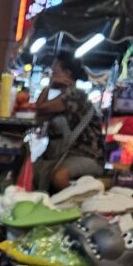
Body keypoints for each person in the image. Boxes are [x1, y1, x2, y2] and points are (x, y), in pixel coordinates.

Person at [32, 53, 105, 192]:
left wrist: (49, 85)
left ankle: (79, 205)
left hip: (88, 155)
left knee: (59, 177)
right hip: (69, 154)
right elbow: (38, 112)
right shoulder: (65, 96)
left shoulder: (75, 94)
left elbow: (39, 108)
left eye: (54, 72)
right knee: (36, 173)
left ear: (66, 73)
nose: (51, 75)